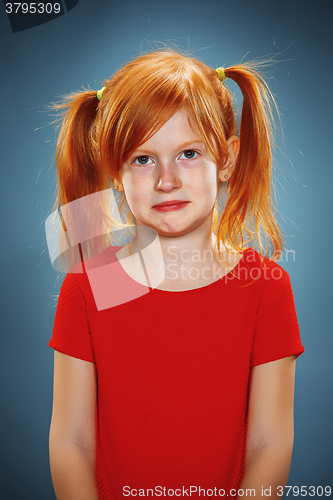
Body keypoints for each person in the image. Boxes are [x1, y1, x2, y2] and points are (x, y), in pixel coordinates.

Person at [47, 49, 305, 500]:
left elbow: (271, 442)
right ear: (116, 172)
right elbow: (72, 442)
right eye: (143, 159)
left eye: (188, 153)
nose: (166, 180)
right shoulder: (91, 285)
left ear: (226, 159)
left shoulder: (264, 287)